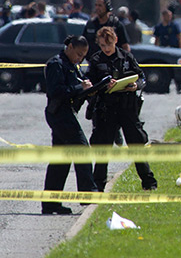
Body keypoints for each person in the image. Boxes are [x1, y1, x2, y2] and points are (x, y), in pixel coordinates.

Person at [86, 26, 157, 192]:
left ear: (115, 40)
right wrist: (104, 85)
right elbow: (90, 85)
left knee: (136, 145)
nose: (106, 48)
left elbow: (141, 77)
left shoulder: (126, 56)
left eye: (109, 44)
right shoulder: (96, 60)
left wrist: (135, 85)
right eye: (103, 45)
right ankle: (98, 186)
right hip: (106, 109)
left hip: (127, 108)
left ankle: (149, 183)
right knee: (103, 149)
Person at [41, 35, 98, 214]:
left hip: (65, 113)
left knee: (61, 160)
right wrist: (79, 88)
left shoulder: (72, 65)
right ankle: (87, 193)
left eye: (83, 56)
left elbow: (78, 86)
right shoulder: (56, 64)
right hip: (59, 114)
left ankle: (50, 204)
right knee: (82, 149)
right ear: (70, 47)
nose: (80, 58)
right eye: (79, 54)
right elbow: (56, 91)